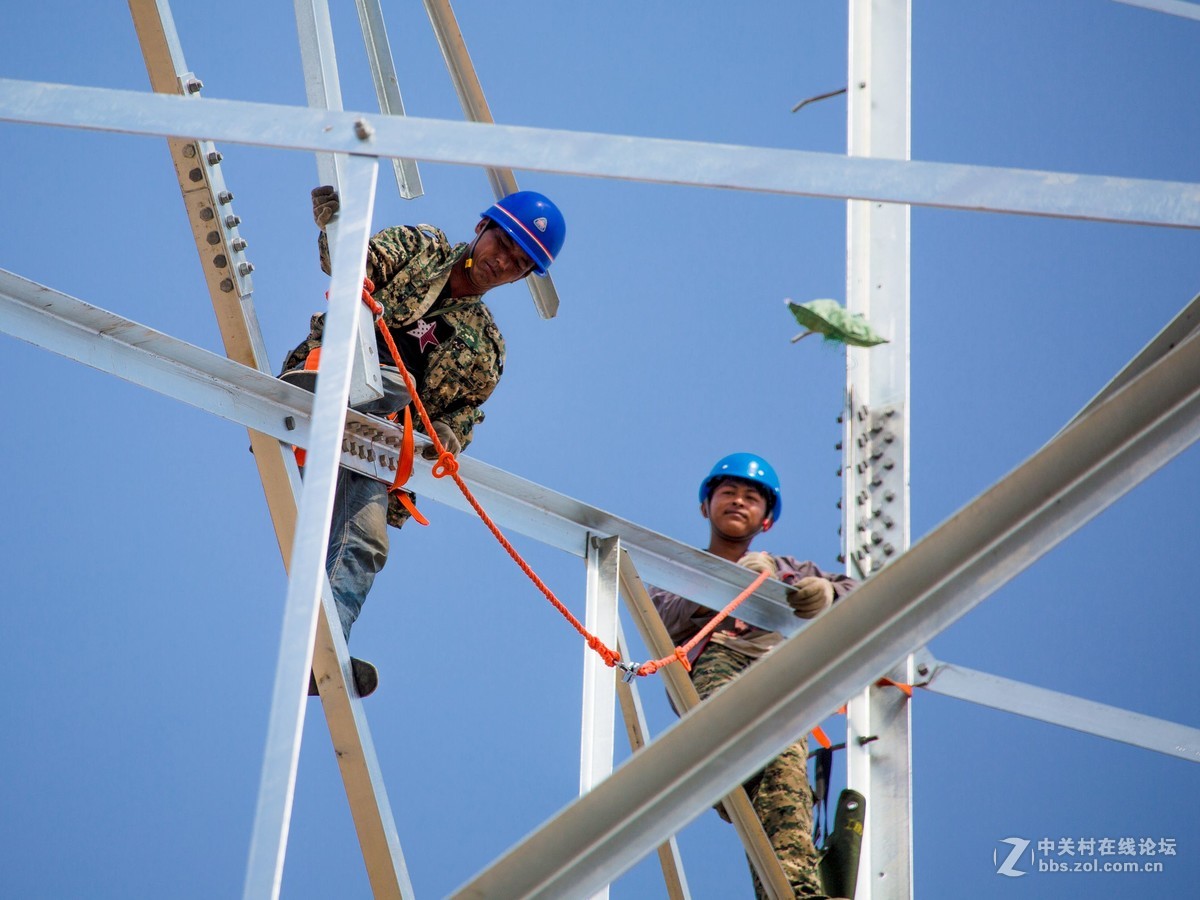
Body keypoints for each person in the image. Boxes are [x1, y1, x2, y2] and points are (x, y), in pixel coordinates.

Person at [282, 185, 566, 696]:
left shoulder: (487, 350)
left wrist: (443, 446)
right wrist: (336, 228)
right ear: (482, 229)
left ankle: (321, 652)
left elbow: (461, 420)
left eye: (520, 263)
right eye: (503, 244)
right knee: (368, 399)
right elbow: (352, 266)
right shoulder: (423, 249)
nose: (503, 262)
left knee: (366, 539)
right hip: (327, 384)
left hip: (375, 440)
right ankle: (318, 645)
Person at [649, 452, 856, 899]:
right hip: (718, 665)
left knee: (783, 783)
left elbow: (862, 594)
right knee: (741, 742)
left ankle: (794, 890)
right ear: (706, 505)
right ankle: (728, 780)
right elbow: (663, 618)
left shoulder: (790, 572)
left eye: (751, 497)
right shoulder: (681, 569)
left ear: (766, 519)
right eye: (728, 492)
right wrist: (727, 583)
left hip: (777, 677)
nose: (738, 501)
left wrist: (827, 594)